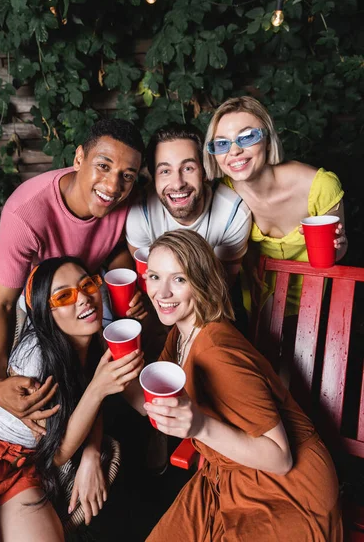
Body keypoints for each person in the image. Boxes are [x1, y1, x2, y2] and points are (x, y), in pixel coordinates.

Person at [132, 229, 342, 541]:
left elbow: (281, 458)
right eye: (154, 276)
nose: (161, 292)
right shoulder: (179, 334)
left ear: (201, 282)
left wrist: (199, 427)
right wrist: (110, 375)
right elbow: (153, 406)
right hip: (225, 474)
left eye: (179, 279)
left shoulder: (218, 352)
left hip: (286, 490)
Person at [0, 119, 146, 434]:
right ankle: (86, 445)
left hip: (92, 286)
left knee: (134, 335)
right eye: (103, 166)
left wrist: (122, 281)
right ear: (78, 158)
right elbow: (1, 305)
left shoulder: (131, 197)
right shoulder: (25, 213)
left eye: (127, 175)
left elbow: (115, 247)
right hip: (50, 298)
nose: (113, 186)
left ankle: (151, 427)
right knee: (59, 378)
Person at [0, 256, 144, 540]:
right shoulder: (35, 361)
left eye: (87, 284)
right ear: (44, 313)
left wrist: (91, 453)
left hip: (19, 467)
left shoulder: (92, 341)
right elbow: (59, 452)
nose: (83, 298)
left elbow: (97, 402)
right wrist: (98, 387)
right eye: (64, 296)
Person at [202, 96, 347, 319]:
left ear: (267, 139)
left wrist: (339, 246)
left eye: (247, 137)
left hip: (313, 306)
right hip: (259, 306)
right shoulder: (226, 192)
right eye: (222, 143)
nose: (234, 151)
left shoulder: (320, 186)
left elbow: (336, 252)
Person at [126, 124, 252, 288]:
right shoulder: (140, 212)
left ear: (205, 172)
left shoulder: (233, 214)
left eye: (188, 168)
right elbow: (146, 281)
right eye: (165, 171)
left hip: (210, 302)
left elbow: (222, 286)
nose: (178, 184)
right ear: (153, 177)